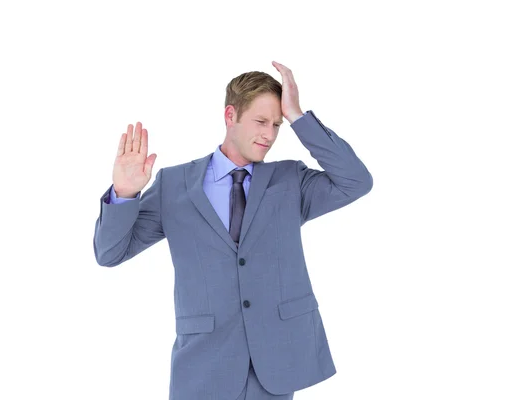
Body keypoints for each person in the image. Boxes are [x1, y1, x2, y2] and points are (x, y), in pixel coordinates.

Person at [93, 60, 373, 400]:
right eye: (260, 121)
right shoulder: (174, 185)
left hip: (274, 365)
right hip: (202, 366)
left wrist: (298, 117)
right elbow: (110, 253)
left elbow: (356, 181)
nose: (269, 134)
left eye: (276, 124)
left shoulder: (290, 181)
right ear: (230, 116)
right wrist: (124, 194)